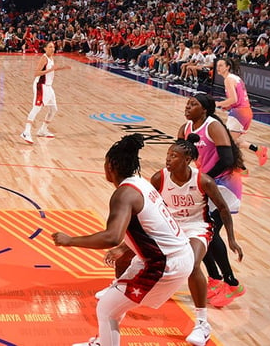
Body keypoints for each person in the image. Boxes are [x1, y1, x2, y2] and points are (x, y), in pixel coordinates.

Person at [52, 134, 194, 346]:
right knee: (112, 305)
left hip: (164, 263)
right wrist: (125, 248)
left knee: (106, 309)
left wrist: (70, 240)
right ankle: (103, 342)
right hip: (173, 254)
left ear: (110, 166)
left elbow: (111, 236)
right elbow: (150, 228)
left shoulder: (124, 194)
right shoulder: (140, 183)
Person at [102, 135, 243, 346]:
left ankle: (202, 324)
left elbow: (223, 208)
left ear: (187, 160)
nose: (168, 159)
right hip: (171, 226)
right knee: (136, 252)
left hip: (197, 228)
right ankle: (117, 288)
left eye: (174, 155)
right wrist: (126, 245)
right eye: (168, 154)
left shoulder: (203, 181)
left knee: (192, 264)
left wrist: (231, 239)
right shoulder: (160, 178)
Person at [179, 94, 247, 308]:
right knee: (200, 233)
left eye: (194, 104)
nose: (188, 106)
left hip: (224, 184)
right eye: (188, 103)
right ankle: (215, 280)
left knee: (208, 232)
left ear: (205, 109)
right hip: (204, 184)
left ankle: (232, 282)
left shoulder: (213, 126)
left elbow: (226, 161)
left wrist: (203, 178)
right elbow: (181, 154)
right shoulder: (185, 128)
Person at [214, 57, 268, 165]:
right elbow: (238, 99)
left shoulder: (228, 79)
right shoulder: (235, 78)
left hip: (239, 113)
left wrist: (217, 103)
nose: (218, 68)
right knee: (231, 140)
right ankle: (257, 150)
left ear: (228, 67)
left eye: (221, 65)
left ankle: (240, 167)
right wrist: (229, 106)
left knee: (227, 142)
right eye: (217, 65)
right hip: (245, 111)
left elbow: (233, 99)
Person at [20, 41, 71, 143]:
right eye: (50, 47)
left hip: (49, 87)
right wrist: (50, 70)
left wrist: (61, 68)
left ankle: (43, 130)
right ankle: (26, 132)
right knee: (36, 108)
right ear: (45, 49)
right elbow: (36, 73)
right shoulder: (44, 58)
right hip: (41, 86)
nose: (53, 49)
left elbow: (52, 69)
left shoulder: (51, 58)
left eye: (53, 47)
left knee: (53, 109)